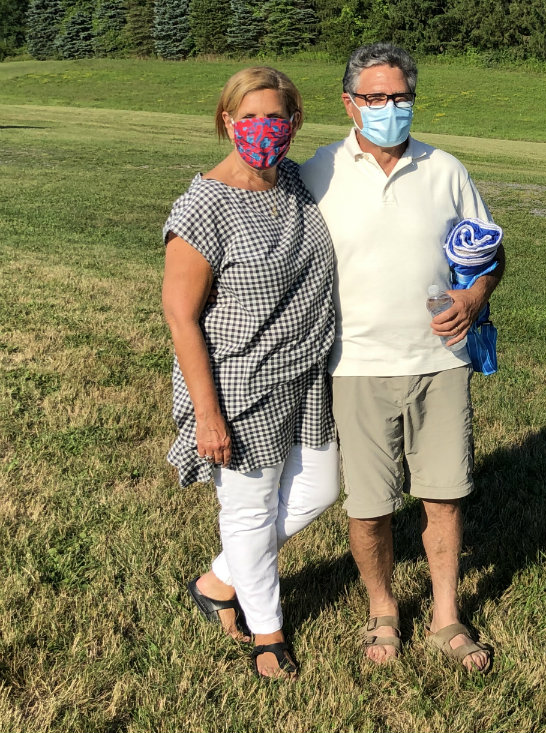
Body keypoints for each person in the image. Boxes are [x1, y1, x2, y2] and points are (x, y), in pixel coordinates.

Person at [300, 43, 502, 673]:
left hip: (439, 363)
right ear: (349, 103)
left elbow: (490, 254)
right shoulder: (317, 173)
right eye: (375, 98)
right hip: (353, 365)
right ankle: (383, 612)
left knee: (444, 497)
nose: (389, 109)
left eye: (401, 97)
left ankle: (446, 618)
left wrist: (472, 298)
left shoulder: (446, 170)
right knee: (369, 505)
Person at [162, 66, 339, 679]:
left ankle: (218, 581)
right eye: (252, 118)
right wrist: (207, 415)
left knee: (320, 489)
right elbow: (182, 319)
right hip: (239, 385)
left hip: (305, 373)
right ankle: (268, 634)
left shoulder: (293, 182)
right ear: (227, 121)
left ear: (293, 125)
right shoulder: (203, 206)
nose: (266, 130)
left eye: (278, 119)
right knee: (249, 510)